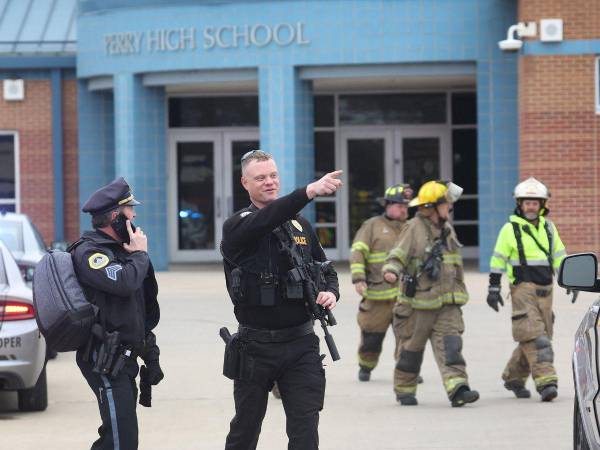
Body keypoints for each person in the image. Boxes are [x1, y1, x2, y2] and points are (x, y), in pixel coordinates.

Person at [220, 150, 342, 450]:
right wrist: (308, 191)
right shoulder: (238, 226)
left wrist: (330, 292)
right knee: (245, 431)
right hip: (255, 347)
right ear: (244, 183)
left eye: (273, 175)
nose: (269, 182)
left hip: (300, 345)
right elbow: (268, 218)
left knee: (305, 429)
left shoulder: (300, 226)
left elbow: (326, 269)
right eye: (260, 178)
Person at [73, 177, 164, 450]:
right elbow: (124, 283)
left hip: (123, 360)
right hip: (104, 360)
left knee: (119, 438)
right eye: (129, 211)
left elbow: (136, 311)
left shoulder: (122, 252)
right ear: (115, 217)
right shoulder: (91, 252)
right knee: (121, 442)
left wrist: (151, 353)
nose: (134, 216)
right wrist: (140, 255)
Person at [382, 180, 479, 407]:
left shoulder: (447, 229)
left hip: (447, 303)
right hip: (418, 306)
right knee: (410, 352)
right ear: (432, 207)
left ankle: (458, 389)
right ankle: (405, 389)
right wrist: (391, 271)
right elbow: (397, 255)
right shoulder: (414, 227)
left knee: (452, 347)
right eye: (446, 204)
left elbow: (455, 265)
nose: (450, 208)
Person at [488, 177, 566, 401]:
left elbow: (559, 256)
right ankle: (546, 382)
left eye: (535, 202)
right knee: (538, 339)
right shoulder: (509, 229)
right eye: (527, 202)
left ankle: (513, 378)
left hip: (546, 291)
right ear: (519, 204)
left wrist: (569, 278)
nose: (531, 206)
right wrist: (493, 288)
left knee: (534, 337)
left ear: (542, 205)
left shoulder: (550, 228)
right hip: (522, 290)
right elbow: (497, 259)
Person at [350, 184, 413, 381]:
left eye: (406, 206)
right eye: (399, 205)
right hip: (377, 295)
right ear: (388, 205)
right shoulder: (372, 225)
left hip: (405, 295)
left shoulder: (411, 227)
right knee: (372, 339)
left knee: (407, 337)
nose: (404, 209)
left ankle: (406, 371)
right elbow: (358, 251)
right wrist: (359, 278)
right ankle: (366, 366)